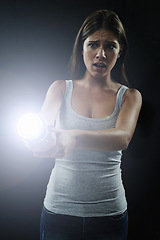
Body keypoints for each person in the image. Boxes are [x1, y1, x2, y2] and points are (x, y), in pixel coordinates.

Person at [29, 9, 142, 240]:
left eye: (110, 46)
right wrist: (38, 141)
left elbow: (122, 137)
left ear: (119, 52)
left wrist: (73, 137)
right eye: (93, 45)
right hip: (58, 211)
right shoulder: (60, 88)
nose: (100, 54)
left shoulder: (130, 96)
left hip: (109, 214)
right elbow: (40, 131)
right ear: (81, 48)